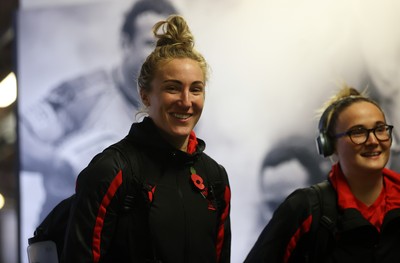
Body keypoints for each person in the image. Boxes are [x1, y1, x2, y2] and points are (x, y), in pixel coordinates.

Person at [61, 15, 231, 263]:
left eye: (196, 89)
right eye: (172, 88)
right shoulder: (111, 171)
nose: (186, 101)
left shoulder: (214, 178)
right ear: (145, 95)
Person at [19, 0, 178, 221]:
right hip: (67, 244)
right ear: (126, 43)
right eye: (150, 43)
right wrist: (62, 165)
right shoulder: (87, 94)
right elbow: (20, 139)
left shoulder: (175, 111)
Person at [245, 84, 400, 262]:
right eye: (358, 132)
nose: (373, 140)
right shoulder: (305, 208)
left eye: (380, 129)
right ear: (330, 147)